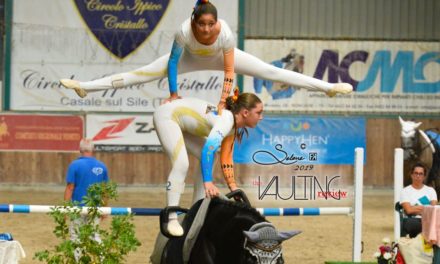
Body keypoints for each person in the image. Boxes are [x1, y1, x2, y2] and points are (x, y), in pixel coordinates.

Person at [60, 0, 352, 114]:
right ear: (195, 22)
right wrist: (174, 94)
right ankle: (87, 87)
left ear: (216, 23)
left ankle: (327, 89)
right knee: (142, 73)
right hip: (189, 57)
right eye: (203, 23)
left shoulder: (224, 34)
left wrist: (224, 100)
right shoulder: (183, 32)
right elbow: (173, 63)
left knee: (269, 71)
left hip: (220, 57)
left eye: (211, 23)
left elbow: (228, 71)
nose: (207, 28)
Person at [153, 90, 263, 236]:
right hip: (167, 117)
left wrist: (233, 187)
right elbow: (207, 150)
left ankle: (195, 211)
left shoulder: (233, 126)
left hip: (180, 122)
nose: (261, 117)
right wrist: (208, 183)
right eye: (259, 112)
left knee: (213, 159)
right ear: (245, 112)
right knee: (182, 164)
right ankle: (172, 218)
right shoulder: (226, 121)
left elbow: (224, 157)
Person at [64, 138, 109, 259]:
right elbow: (105, 190)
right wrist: (104, 208)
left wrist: (65, 208)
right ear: (93, 150)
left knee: (76, 236)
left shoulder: (74, 165)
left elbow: (70, 187)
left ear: (80, 150)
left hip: (78, 208)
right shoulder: (102, 166)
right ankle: (102, 260)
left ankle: (77, 261)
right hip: (95, 207)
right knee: (95, 235)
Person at [400, 163, 437, 238]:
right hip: (412, 220)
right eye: (416, 173)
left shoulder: (431, 190)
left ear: (424, 177)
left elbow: (433, 209)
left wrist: (415, 208)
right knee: (415, 224)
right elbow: (409, 210)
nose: (418, 176)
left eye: (421, 174)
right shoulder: (405, 191)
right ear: (411, 175)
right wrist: (426, 208)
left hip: (429, 219)